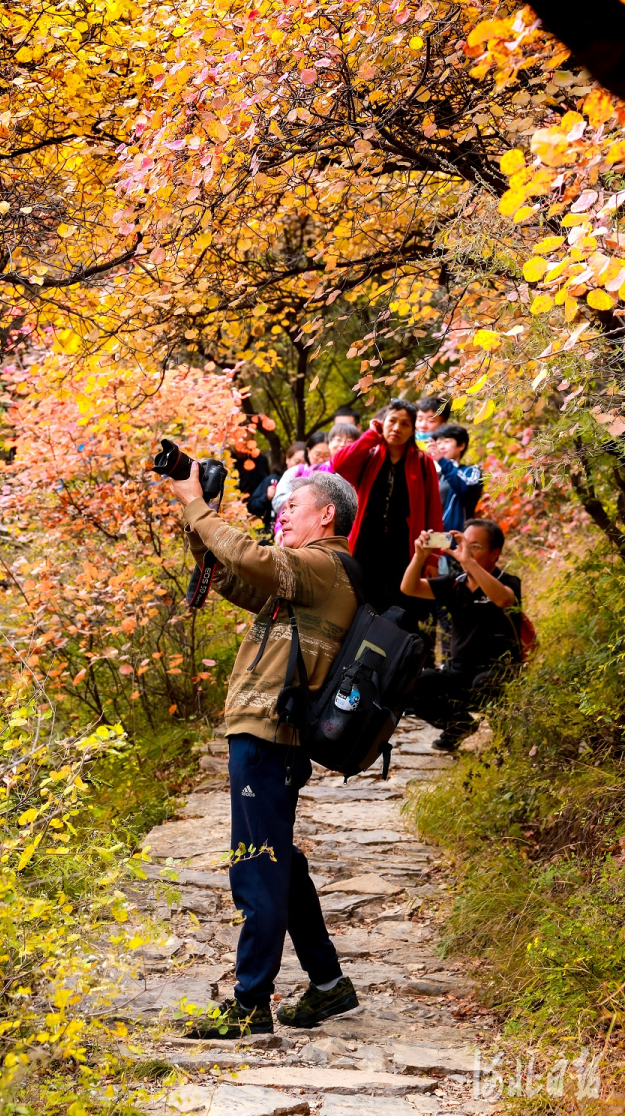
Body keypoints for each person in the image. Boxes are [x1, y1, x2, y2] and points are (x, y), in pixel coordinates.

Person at [171, 467, 361, 1037]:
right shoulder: (305, 579)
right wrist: (194, 524)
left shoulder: (323, 566)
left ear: (326, 514)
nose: (281, 512)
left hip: (268, 734)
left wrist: (197, 504)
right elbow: (235, 579)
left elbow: (252, 559)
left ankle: (251, 1002)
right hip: (266, 733)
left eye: (292, 505)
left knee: (258, 862)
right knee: (282, 861)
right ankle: (328, 983)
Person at [401, 519, 522, 751]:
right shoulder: (455, 583)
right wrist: (419, 556)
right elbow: (410, 588)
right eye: (465, 543)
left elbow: (503, 599)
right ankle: (458, 725)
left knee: (485, 683)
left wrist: (468, 562)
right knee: (414, 683)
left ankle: (506, 737)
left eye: (475, 546)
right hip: (458, 674)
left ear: (495, 553)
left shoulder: (508, 581)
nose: (467, 550)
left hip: (496, 675)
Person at [332, 400, 443, 629]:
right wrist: (371, 435)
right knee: (360, 611)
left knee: (400, 615)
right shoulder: (369, 454)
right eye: (392, 421)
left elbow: (434, 513)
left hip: (404, 552)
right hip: (364, 549)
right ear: (382, 423)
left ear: (412, 430)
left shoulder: (424, 463)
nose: (397, 428)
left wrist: (433, 558)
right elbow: (339, 464)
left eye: (405, 424)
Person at [426, 423, 483, 533]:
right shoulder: (435, 476)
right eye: (438, 443)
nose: (441, 446)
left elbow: (467, 488)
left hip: (457, 539)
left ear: (461, 445)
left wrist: (442, 461)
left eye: (446, 442)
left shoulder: (471, 471)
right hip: (432, 538)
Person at [271, 432, 331, 537]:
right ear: (308, 451)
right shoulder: (295, 472)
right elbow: (277, 503)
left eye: (326, 455)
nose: (321, 459)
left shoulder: (334, 475)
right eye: (317, 454)